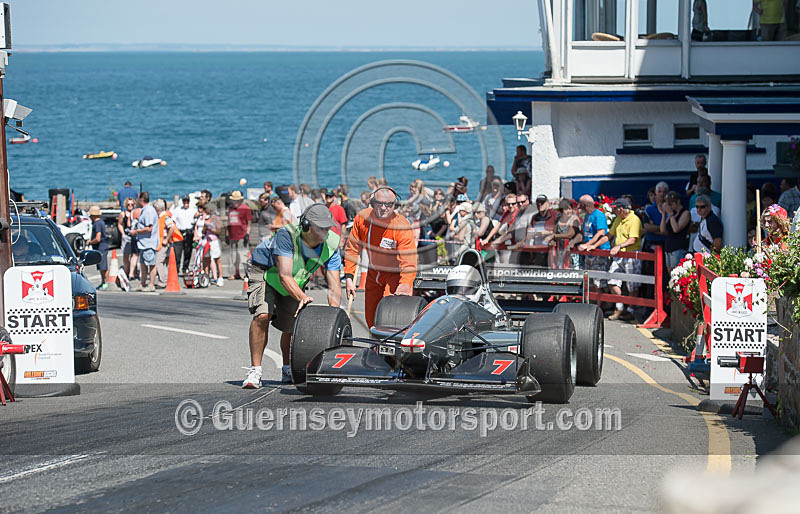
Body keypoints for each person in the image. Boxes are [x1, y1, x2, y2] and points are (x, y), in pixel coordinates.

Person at [242, 204, 343, 388]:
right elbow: (284, 275)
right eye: (320, 228)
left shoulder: (332, 243)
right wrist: (302, 297)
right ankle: (255, 370)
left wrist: (335, 315)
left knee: (290, 326)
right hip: (264, 271)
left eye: (327, 228)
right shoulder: (286, 235)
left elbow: (334, 284)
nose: (325, 233)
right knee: (263, 315)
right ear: (306, 225)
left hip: (294, 278)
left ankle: (287, 367)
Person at [343, 186, 418, 328]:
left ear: (394, 204)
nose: (384, 208)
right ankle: (375, 347)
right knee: (371, 320)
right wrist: (348, 277)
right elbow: (352, 249)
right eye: (380, 203)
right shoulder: (363, 218)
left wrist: (405, 284)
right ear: (373, 203)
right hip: (373, 275)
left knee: (387, 319)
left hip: (394, 276)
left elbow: (408, 261)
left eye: (388, 204)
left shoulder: (401, 226)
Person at [597, 198, 643, 321]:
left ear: (621, 209)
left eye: (615, 209)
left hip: (631, 255)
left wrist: (619, 246)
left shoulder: (635, 220)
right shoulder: (618, 219)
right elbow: (610, 235)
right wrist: (594, 245)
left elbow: (633, 239)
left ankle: (630, 310)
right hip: (619, 255)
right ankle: (620, 307)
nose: (614, 211)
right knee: (612, 280)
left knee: (632, 285)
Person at [577, 195, 611, 292]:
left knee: (600, 281)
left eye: (580, 203)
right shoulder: (588, 216)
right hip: (590, 252)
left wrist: (588, 245)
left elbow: (601, 232)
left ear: (584, 205)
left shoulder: (598, 215)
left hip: (600, 251)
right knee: (591, 279)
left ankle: (603, 303)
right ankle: (595, 301)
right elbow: (585, 233)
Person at [130, 192, 159, 292]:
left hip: (149, 242)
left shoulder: (149, 211)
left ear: (141, 200)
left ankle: (151, 284)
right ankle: (142, 283)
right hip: (143, 242)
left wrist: (136, 231)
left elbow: (149, 228)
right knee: (143, 263)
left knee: (151, 264)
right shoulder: (145, 210)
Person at [546, 199, 582, 269]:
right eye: (566, 209)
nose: (568, 211)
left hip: (571, 250)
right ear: (561, 210)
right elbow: (554, 232)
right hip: (560, 250)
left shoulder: (574, 219)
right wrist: (552, 241)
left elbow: (570, 234)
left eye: (570, 209)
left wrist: (553, 236)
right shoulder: (558, 220)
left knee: (572, 271)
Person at [660, 191, 691, 269]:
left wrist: (670, 213)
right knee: (670, 273)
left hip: (678, 248)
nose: (670, 206)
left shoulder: (685, 213)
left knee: (676, 273)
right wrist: (664, 214)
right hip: (668, 247)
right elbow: (663, 230)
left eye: (671, 204)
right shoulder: (672, 215)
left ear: (678, 202)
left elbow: (676, 229)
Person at [225, 191, 252, 280]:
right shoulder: (230, 209)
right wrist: (227, 234)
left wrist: (247, 234)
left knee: (242, 255)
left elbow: (249, 223)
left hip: (242, 234)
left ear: (240, 200)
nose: (235, 202)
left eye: (236, 201)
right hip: (232, 235)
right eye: (234, 201)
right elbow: (228, 222)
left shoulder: (246, 208)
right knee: (233, 256)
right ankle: (235, 273)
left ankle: (245, 273)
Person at [153, 199, 177, 288]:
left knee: (159, 262)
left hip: (162, 243)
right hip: (160, 242)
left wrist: (166, 239)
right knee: (163, 262)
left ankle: (162, 281)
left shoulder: (165, 217)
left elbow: (172, 227)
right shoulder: (161, 217)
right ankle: (165, 280)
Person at [171, 195, 196, 274]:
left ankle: (185, 268)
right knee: (177, 253)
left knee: (188, 252)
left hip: (189, 232)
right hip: (179, 232)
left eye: (187, 201)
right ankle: (176, 269)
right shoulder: (177, 210)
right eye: (184, 201)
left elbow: (195, 221)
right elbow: (173, 221)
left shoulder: (192, 210)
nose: (186, 203)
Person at [88, 205, 109, 289]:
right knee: (101, 266)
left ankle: (106, 282)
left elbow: (98, 238)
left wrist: (90, 242)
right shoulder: (100, 222)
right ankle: (103, 281)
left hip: (101, 247)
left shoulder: (97, 224)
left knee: (103, 266)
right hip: (100, 247)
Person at [118, 197, 139, 281]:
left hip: (135, 236)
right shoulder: (123, 214)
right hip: (126, 236)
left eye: (132, 204)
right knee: (126, 255)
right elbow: (119, 224)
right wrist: (122, 233)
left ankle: (132, 272)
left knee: (135, 254)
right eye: (128, 204)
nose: (130, 206)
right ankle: (127, 272)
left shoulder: (136, 213)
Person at [643, 182, 669, 251]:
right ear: (656, 192)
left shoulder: (671, 209)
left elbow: (671, 230)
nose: (662, 194)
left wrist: (654, 229)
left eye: (664, 192)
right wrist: (663, 229)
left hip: (667, 245)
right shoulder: (648, 210)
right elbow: (647, 226)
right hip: (651, 245)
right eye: (659, 191)